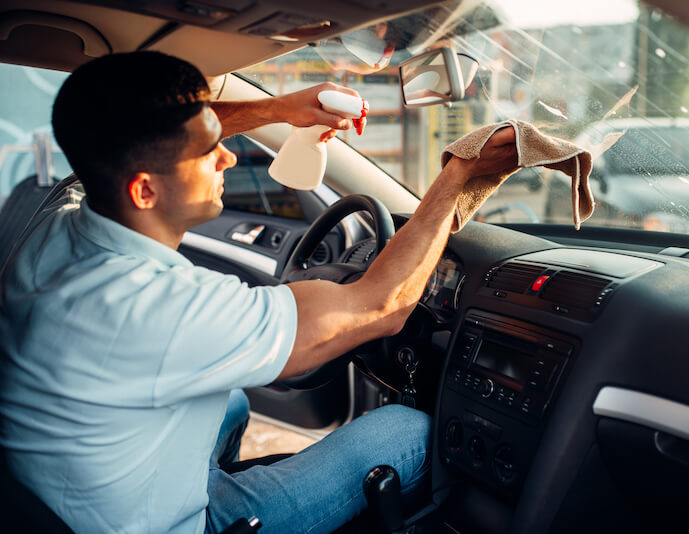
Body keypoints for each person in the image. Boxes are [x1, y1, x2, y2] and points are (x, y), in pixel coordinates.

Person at [0, 51, 518, 533]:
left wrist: (281, 109)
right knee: (407, 432)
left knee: (230, 404)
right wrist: (460, 174)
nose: (227, 157)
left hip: (68, 499)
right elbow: (379, 307)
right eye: (208, 152)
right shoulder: (163, 306)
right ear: (145, 190)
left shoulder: (56, 220)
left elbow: (137, 137)